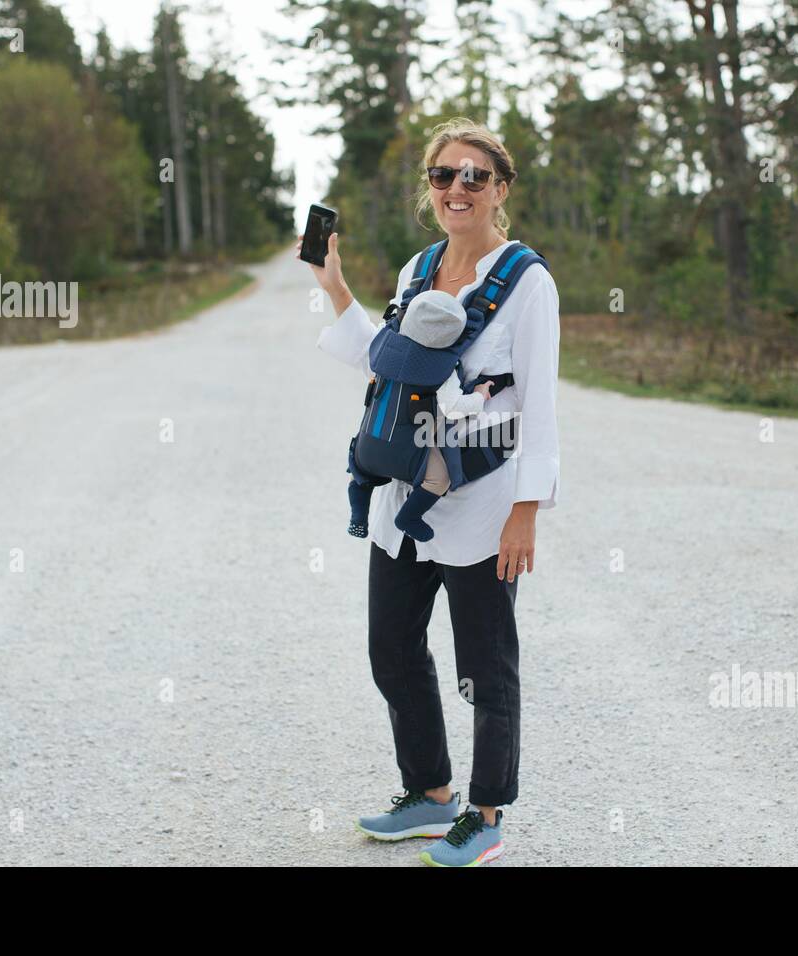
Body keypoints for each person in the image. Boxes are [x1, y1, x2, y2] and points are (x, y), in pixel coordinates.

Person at [300, 118, 560, 867]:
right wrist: (334, 284)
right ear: (431, 187)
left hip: (482, 504)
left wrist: (526, 513)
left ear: (500, 189)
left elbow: (539, 406)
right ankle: (429, 795)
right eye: (445, 175)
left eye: (475, 176)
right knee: (391, 648)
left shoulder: (526, 282)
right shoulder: (419, 269)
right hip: (404, 499)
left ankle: (484, 816)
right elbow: (387, 364)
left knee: (485, 666)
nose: (458, 189)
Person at [344, 287, 494, 542]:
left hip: (366, 451)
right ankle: (409, 517)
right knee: (440, 480)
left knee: (358, 476)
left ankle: (358, 516)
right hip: (407, 457)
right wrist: (480, 396)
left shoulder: (385, 346)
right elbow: (453, 407)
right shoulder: (442, 368)